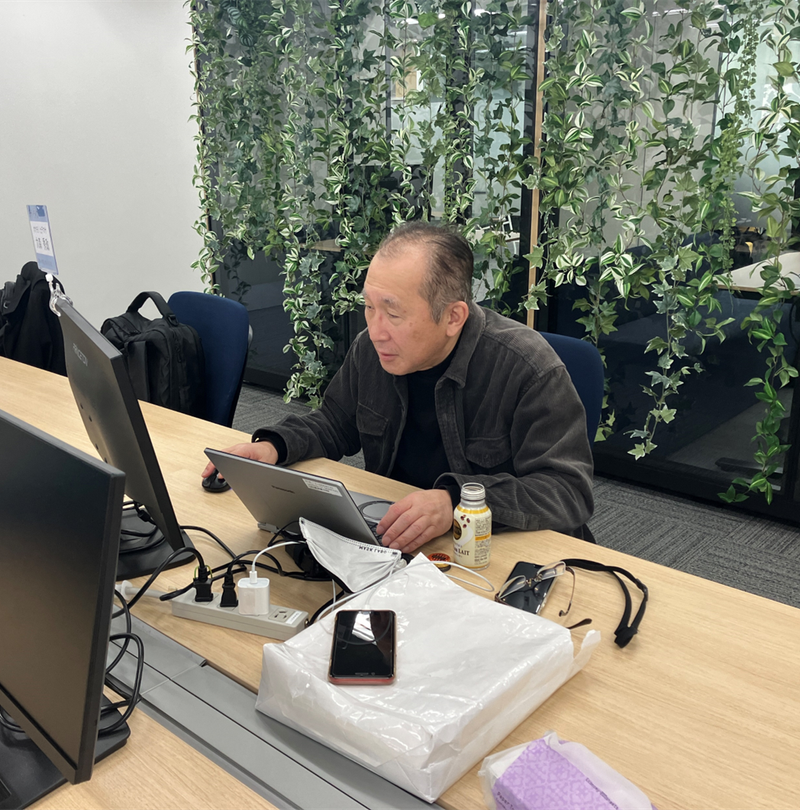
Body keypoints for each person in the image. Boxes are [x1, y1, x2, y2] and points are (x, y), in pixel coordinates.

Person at [203, 222, 594, 553]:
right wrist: (273, 447)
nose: (375, 331)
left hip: (489, 552)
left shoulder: (527, 368)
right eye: (369, 307)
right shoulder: (371, 350)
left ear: (453, 317)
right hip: (399, 539)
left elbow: (567, 491)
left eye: (393, 312)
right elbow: (335, 422)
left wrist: (454, 502)